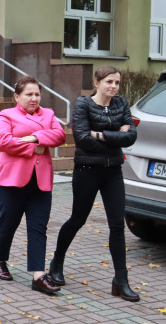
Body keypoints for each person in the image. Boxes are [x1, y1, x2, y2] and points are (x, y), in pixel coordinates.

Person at [47, 66, 139, 301]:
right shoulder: (83, 104)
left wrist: (101, 134)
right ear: (96, 83)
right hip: (87, 171)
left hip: (113, 172)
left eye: (117, 83)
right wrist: (114, 136)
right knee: (78, 219)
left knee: (117, 225)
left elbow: (131, 137)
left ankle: (121, 280)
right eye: (109, 81)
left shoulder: (121, 104)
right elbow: (82, 139)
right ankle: (57, 262)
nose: (114, 87)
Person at [0, 76, 66, 296]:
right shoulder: (7, 115)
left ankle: (38, 275)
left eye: (37, 94)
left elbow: (59, 135)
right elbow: (2, 141)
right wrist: (36, 147)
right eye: (29, 94)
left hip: (40, 182)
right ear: (17, 96)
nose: (34, 98)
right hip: (13, 180)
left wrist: (32, 138)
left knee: (38, 227)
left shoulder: (49, 114)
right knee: (8, 223)